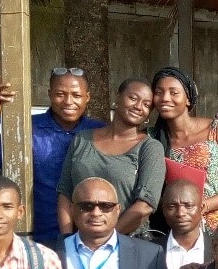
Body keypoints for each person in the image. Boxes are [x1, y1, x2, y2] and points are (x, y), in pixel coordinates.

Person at [0, 69, 105, 242]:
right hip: (41, 236)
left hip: (92, 235)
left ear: (87, 97)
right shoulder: (28, 127)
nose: (69, 101)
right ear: (49, 94)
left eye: (76, 95)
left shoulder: (100, 132)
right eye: (60, 94)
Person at [56, 78, 165, 238]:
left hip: (129, 242)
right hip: (80, 243)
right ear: (118, 97)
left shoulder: (150, 148)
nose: (138, 106)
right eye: (133, 98)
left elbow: (145, 205)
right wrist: (67, 239)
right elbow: (65, 193)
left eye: (146, 104)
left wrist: (107, 240)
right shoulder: (82, 139)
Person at [150, 67, 218, 232]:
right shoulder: (151, 139)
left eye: (174, 92)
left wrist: (203, 206)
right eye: (159, 92)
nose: (165, 98)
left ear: (188, 99)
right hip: (179, 230)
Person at [160, 179, 212, 269]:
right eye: (172, 207)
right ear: (164, 210)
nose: (180, 213)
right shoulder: (149, 251)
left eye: (188, 206)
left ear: (201, 208)